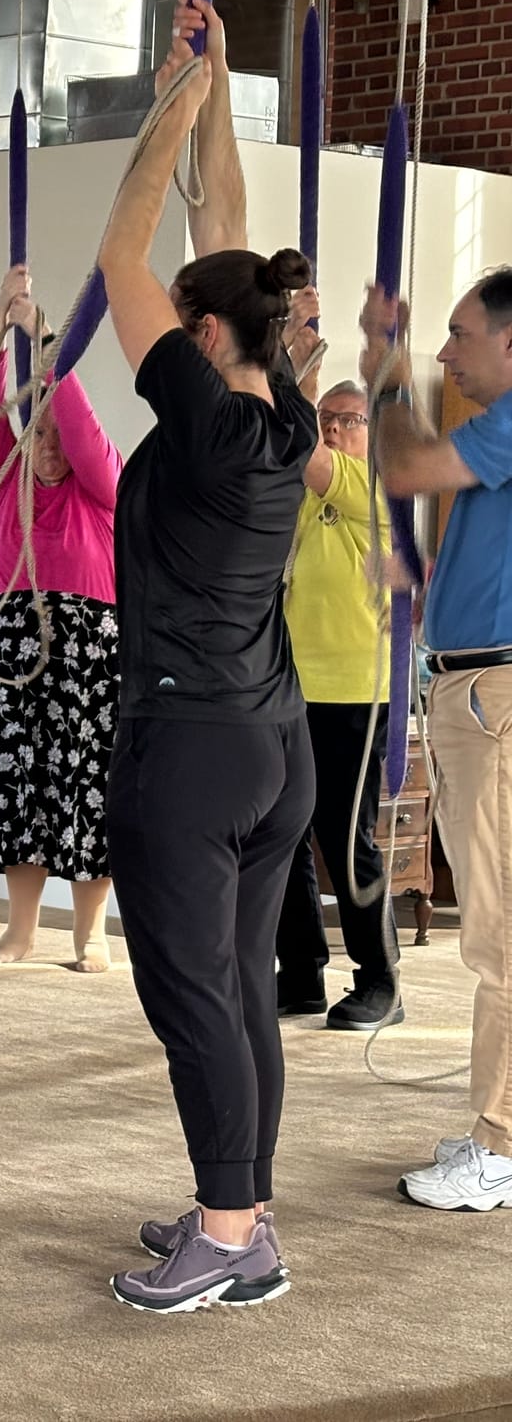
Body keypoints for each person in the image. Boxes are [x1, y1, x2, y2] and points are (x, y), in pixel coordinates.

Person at [97, 3, 316, 1312]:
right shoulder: (281, 406)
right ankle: (247, 1208)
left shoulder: (205, 411)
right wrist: (224, 90)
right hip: (270, 743)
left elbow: (124, 250)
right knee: (236, 986)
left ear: (203, 338)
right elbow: (215, 240)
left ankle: (229, 1237)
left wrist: (169, 101)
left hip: (188, 750)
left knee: (191, 995)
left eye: (185, 319)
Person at [367, 267, 512, 1211]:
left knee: (499, 932)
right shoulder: (494, 438)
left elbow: (404, 467)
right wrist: (419, 574)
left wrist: (389, 369)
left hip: (494, 695)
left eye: (461, 337)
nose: (450, 354)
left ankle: (497, 1141)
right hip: (474, 684)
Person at [0, 265, 122, 972]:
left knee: (87, 790)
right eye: (38, 435)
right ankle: (21, 930)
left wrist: (45, 337)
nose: (48, 447)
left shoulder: (105, 485)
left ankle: (91, 934)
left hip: (88, 656)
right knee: (15, 792)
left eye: (57, 436)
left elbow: (77, 423)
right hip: (9, 652)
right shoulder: (5, 488)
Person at [276, 373, 404, 1029]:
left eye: (347, 419)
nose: (332, 427)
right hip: (286, 689)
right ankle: (300, 975)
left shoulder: (376, 490)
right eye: (325, 416)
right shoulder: (297, 493)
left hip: (355, 691)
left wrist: (287, 370)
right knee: (282, 837)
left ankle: (381, 983)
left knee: (344, 840)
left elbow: (296, 441)